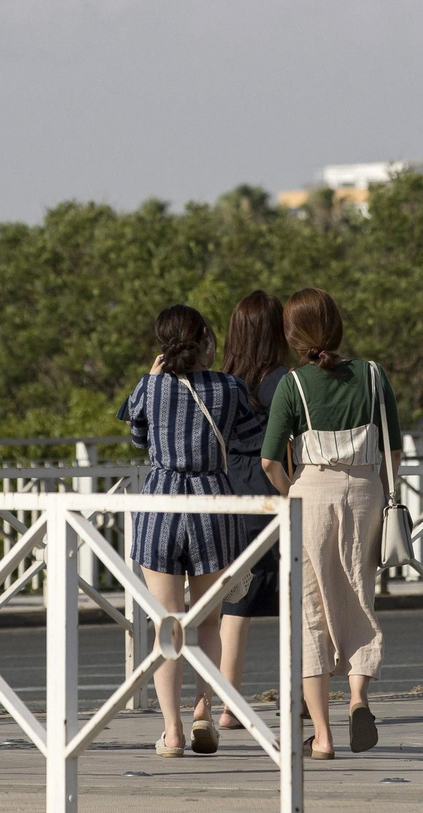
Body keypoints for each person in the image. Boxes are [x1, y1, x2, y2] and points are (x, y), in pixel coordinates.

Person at [118, 304, 265, 756]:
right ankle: (204, 712)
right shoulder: (230, 387)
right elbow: (248, 436)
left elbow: (138, 438)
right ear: (205, 338)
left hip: (160, 506)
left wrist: (154, 379)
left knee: (167, 625)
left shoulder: (150, 385)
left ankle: (172, 730)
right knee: (208, 621)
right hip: (211, 506)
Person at [260, 287, 399, 759]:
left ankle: (321, 735)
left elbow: (269, 462)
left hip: (312, 495)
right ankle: (359, 698)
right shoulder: (374, 375)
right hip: (366, 492)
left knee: (310, 610)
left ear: (293, 336)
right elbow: (393, 448)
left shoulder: (292, 385)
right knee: (361, 596)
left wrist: (290, 496)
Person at [215, 291, 292, 731]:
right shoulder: (284, 379)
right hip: (273, 488)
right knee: (294, 600)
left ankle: (228, 705)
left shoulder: (222, 379)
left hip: (229, 491)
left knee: (235, 603)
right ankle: (296, 697)